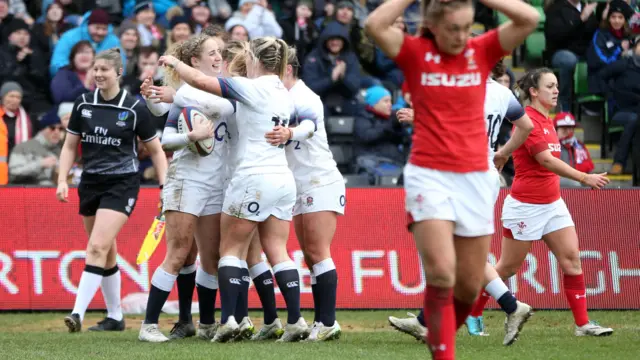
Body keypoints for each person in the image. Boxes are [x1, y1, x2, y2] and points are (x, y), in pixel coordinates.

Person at [365, 0, 539, 358]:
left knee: (467, 286)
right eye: (453, 29)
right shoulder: (416, 52)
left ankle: (439, 339)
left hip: (476, 177)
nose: (461, 37)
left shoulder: (480, 50)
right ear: (433, 24)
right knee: (443, 275)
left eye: (467, 27)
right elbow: (375, 25)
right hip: (429, 175)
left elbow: (529, 17)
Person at [159, 36, 308, 343]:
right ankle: (295, 320)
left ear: (254, 60)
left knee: (230, 250)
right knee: (277, 252)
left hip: (251, 178)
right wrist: (174, 96)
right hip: (282, 178)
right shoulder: (284, 91)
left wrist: (174, 65)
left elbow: (202, 81)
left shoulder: (250, 88)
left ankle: (228, 320)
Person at [389, 59, 537, 345]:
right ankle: (429, 320)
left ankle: (507, 307)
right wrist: (502, 152)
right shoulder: (501, 92)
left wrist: (416, 117)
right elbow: (526, 125)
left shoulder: (465, 89)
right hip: (485, 175)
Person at [56, 48, 168, 333]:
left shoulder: (134, 108)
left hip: (122, 183)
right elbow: (70, 146)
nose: (98, 74)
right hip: (90, 183)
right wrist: (61, 179)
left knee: (95, 247)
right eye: (95, 69)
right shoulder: (83, 104)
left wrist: (164, 186)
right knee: (105, 251)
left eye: (104, 70)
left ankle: (77, 314)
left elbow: (156, 151)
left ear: (118, 73)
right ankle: (115, 317)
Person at [497, 67, 613, 337]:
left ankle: (582, 325)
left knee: (572, 260)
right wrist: (585, 177)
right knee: (507, 268)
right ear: (534, 91)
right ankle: (473, 315)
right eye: (550, 86)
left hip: (553, 204)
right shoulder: (527, 121)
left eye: (557, 86)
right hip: (525, 205)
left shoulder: (549, 121)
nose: (556, 90)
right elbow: (546, 160)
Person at [137, 34, 235, 343]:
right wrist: (190, 136)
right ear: (194, 62)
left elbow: (226, 107)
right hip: (186, 180)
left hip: (217, 181)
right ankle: (149, 325)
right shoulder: (190, 91)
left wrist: (172, 95)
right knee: (178, 253)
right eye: (211, 53)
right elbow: (166, 140)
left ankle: (205, 324)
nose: (219, 57)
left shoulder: (199, 92)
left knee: (211, 257)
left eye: (220, 52)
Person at [247, 46, 345, 342]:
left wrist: (290, 133)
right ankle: (323, 321)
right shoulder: (278, 98)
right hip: (297, 185)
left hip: (319, 180)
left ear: (287, 69)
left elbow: (309, 126)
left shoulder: (304, 96)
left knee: (318, 252)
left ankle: (327, 322)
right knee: (312, 256)